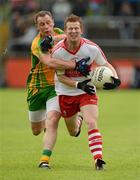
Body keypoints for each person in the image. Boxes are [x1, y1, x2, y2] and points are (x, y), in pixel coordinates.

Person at [52, 14, 121, 170]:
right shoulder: (58, 52)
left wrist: (116, 78)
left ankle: (98, 160)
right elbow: (61, 77)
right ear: (65, 31)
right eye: (70, 29)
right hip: (66, 92)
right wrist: (78, 84)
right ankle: (78, 120)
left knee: (92, 122)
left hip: (87, 90)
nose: (73, 31)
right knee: (73, 131)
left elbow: (107, 64)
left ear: (81, 30)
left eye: (76, 28)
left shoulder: (92, 48)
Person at [26, 11, 90, 169]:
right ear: (37, 27)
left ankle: (44, 160)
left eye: (48, 23)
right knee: (35, 130)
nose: (46, 26)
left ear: (53, 23)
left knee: (53, 120)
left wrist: (53, 38)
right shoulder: (36, 44)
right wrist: (76, 65)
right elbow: (50, 63)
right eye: (42, 24)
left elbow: (70, 37)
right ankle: (75, 120)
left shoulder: (61, 33)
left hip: (56, 86)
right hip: (36, 89)